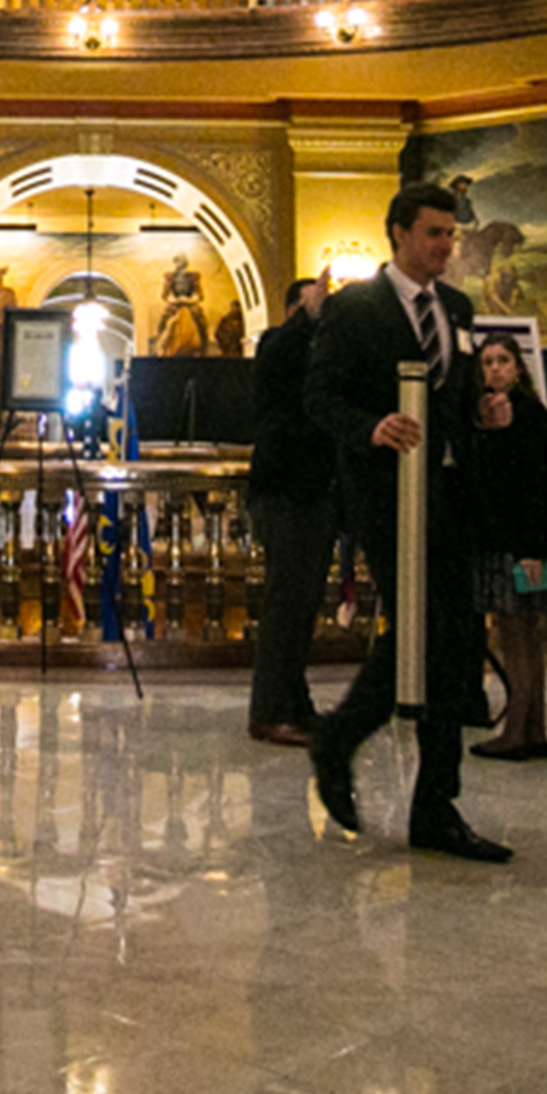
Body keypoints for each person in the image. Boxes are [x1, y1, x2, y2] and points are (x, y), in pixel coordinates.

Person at [303, 182, 512, 863]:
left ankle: (429, 800)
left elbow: (457, 395)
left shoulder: (456, 307)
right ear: (398, 233)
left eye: (451, 235)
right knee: (423, 632)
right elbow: (320, 395)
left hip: (449, 492)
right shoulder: (354, 308)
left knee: (451, 639)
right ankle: (350, 747)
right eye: (433, 234)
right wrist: (372, 427)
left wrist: (483, 412)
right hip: (388, 495)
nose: (446, 247)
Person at [245, 277, 334, 747]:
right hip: (283, 491)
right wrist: (306, 314)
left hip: (313, 490)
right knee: (286, 604)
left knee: (304, 606)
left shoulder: (316, 353)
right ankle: (269, 711)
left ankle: (297, 704)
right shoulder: (276, 342)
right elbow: (281, 356)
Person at [468, 336, 547, 762]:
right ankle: (532, 728)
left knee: (518, 637)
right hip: (510, 539)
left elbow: (530, 486)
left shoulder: (525, 414)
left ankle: (518, 731)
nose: (495, 369)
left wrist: (530, 547)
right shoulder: (494, 413)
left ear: (519, 367)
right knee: (522, 637)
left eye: (503, 361)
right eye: (488, 362)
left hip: (516, 542)